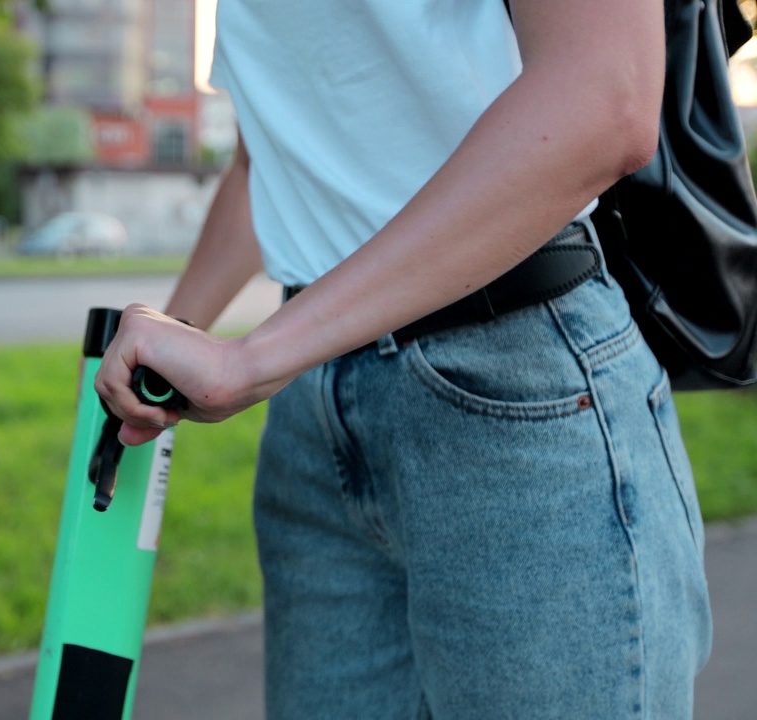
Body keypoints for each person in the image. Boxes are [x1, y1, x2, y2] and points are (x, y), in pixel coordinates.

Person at [94, 1, 712, 718]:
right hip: (314, 419)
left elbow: (607, 96)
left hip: (515, 392)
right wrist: (163, 355)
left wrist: (256, 356)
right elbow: (273, 156)